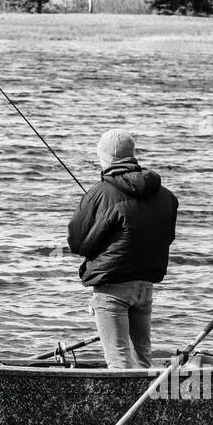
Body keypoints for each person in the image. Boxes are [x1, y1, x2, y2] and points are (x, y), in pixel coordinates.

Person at [67, 129, 179, 369]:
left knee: (118, 362)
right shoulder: (166, 196)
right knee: (142, 360)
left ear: (104, 158)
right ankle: (148, 404)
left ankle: (125, 406)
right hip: (145, 286)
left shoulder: (98, 194)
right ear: (133, 155)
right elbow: (166, 237)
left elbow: (77, 242)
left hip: (111, 287)